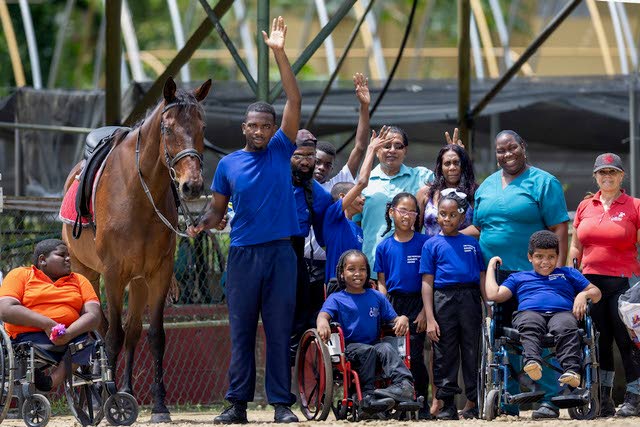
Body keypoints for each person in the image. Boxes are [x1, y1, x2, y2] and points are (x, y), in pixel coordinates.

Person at [187, 16, 301, 424]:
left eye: (265, 126)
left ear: (274, 130)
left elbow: (294, 99)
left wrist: (279, 53)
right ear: (243, 128)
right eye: (252, 125)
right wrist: (202, 223)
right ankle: (236, 404)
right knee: (240, 334)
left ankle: (282, 405)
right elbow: (217, 210)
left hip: (280, 255)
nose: (259, 130)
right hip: (242, 256)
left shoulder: (281, 149)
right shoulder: (228, 165)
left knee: (277, 329)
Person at [466, 129, 570, 418]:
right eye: (501, 151)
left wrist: (557, 272)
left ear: (523, 147)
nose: (507, 154)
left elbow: (559, 228)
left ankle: (551, 397)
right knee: (502, 337)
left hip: (534, 276)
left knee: (542, 333)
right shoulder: (486, 186)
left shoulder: (543, 182)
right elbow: (481, 227)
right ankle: (511, 398)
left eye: (512, 148)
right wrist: (448, 238)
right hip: (495, 275)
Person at [485, 231, 602, 417]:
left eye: (551, 257)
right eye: (539, 256)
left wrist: (583, 294)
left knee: (567, 326)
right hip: (529, 313)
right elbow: (494, 295)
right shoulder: (519, 277)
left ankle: (572, 371)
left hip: (561, 313)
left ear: (558, 257)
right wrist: (491, 267)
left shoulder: (568, 273)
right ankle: (532, 362)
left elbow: (596, 292)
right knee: (530, 323)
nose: (545, 261)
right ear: (530, 257)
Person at [570, 152, 640, 417]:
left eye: (612, 172)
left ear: (622, 176)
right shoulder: (585, 206)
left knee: (627, 340)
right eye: (602, 172)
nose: (607, 176)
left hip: (624, 282)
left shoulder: (634, 205)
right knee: (598, 340)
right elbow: (577, 244)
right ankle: (603, 397)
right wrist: (571, 274)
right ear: (595, 176)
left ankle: (635, 396)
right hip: (590, 282)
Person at [316, 250, 415, 412]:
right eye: (351, 269)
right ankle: (368, 395)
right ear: (341, 273)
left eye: (362, 269)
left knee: (386, 347)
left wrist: (402, 318)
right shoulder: (336, 298)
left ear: (368, 272)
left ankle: (404, 386)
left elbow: (393, 319)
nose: (358, 273)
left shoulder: (376, 296)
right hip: (349, 348)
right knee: (368, 350)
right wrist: (322, 323)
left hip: (374, 345)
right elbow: (323, 315)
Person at [0, 239, 101, 390]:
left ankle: (52, 381)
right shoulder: (20, 275)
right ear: (42, 260)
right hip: (29, 338)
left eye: (68, 255)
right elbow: (6, 310)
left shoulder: (79, 280)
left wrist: (69, 333)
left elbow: (94, 315)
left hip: (71, 338)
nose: (68, 259)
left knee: (86, 343)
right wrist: (47, 324)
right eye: (61, 255)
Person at [420, 191, 486, 420]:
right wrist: (430, 317)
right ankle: (447, 404)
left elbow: (480, 278)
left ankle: (474, 401)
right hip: (443, 299)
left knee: (471, 349)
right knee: (444, 352)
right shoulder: (431, 245)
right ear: (437, 216)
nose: (447, 219)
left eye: (452, 215)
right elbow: (427, 283)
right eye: (442, 214)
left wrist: (486, 307)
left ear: (462, 217)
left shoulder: (472, 244)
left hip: (469, 299)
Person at [304, 72, 372, 284]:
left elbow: (360, 147)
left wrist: (364, 107)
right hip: (300, 258)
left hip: (330, 263)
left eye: (328, 164)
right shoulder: (298, 181)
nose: (322, 167)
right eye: (318, 161)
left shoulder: (338, 184)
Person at [374, 192, 430, 419]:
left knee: (415, 356)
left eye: (412, 212)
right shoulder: (384, 246)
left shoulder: (425, 243)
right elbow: (381, 282)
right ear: (392, 212)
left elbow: (429, 280)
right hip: (393, 304)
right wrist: (387, 311)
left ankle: (421, 404)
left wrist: (426, 311)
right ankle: (396, 404)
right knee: (395, 356)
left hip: (419, 303)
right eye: (402, 210)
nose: (407, 216)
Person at [358, 126, 434, 271]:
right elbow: (355, 223)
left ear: (405, 151)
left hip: (414, 264)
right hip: (372, 266)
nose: (392, 150)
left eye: (398, 146)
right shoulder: (364, 183)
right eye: (386, 145)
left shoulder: (422, 177)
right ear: (377, 150)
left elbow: (450, 195)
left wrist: (456, 153)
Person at [322, 127, 389, 284]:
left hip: (357, 288)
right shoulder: (333, 218)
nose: (362, 199)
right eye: (358, 195)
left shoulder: (358, 229)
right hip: (336, 286)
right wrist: (371, 149)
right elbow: (362, 182)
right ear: (343, 197)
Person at [290, 136, 333, 362]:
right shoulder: (270, 180)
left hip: (295, 253)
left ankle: (293, 376)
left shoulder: (320, 195)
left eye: (310, 157)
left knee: (301, 314)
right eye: (298, 155)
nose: (305, 162)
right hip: (263, 249)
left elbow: (325, 237)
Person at [418, 143, 477, 237]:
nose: (452, 168)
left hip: (462, 250)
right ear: (440, 167)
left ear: (464, 166)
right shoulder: (426, 193)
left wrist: (449, 235)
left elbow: (480, 229)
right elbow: (415, 231)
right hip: (431, 250)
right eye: (447, 163)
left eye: (457, 163)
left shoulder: (475, 193)